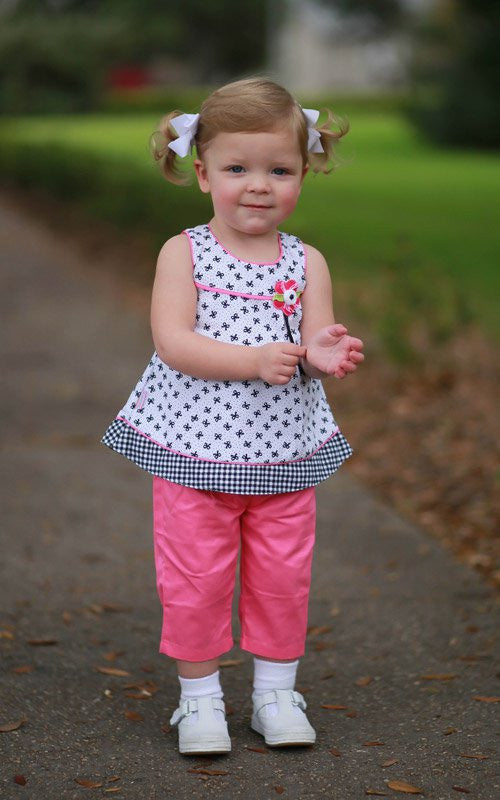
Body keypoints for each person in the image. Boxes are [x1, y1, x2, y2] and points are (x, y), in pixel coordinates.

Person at [101, 76, 364, 756]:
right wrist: (252, 361)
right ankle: (200, 702)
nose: (258, 185)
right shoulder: (183, 253)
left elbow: (310, 343)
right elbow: (174, 342)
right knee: (195, 576)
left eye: (279, 170)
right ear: (202, 173)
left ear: (303, 173)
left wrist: (323, 354)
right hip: (194, 450)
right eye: (237, 168)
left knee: (283, 574)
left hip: (284, 451)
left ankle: (276, 693)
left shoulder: (307, 262)